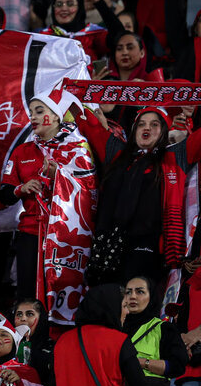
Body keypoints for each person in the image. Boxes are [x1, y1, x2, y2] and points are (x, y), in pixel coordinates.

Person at [0, 92, 96, 324]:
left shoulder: (77, 147)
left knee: (61, 292)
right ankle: (24, 342)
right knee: (26, 293)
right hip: (31, 233)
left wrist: (59, 176)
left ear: (55, 116)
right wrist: (20, 189)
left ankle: (55, 342)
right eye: (31, 112)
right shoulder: (23, 151)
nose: (33, 116)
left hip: (66, 239)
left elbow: (91, 192)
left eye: (40, 111)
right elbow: (4, 194)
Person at [80, 106, 201, 285]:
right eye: (141, 124)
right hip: (109, 245)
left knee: (137, 297)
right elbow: (85, 122)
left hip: (150, 245)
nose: (147, 128)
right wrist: (72, 89)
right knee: (110, 300)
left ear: (164, 131)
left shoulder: (176, 156)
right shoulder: (118, 153)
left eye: (154, 124)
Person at [52, 285, 181, 386]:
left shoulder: (62, 342)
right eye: (124, 306)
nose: (127, 312)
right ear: (110, 307)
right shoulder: (118, 341)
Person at [121, 276, 188, 386]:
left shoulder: (163, 329)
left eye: (140, 291)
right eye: (128, 292)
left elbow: (177, 366)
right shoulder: (115, 327)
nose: (132, 297)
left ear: (152, 297)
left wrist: (140, 363)